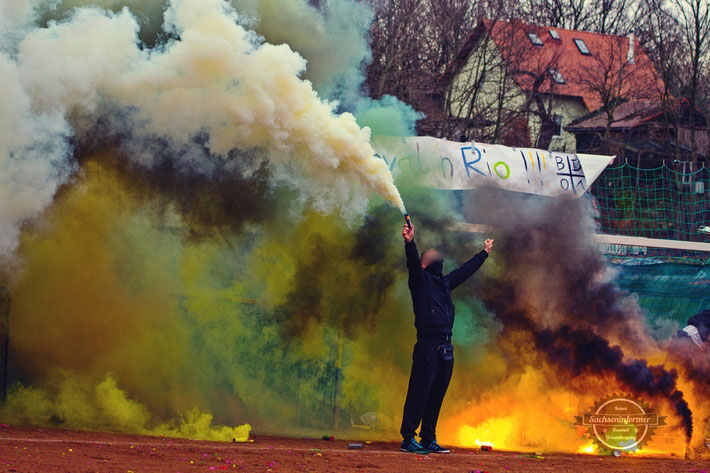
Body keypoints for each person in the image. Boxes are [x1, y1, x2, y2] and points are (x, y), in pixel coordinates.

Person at [399, 221, 493, 454]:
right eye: (432, 254)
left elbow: (465, 271)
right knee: (419, 392)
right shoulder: (419, 281)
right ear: (423, 263)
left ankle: (428, 438)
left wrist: (484, 253)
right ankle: (408, 438)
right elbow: (411, 262)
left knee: (436, 395)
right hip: (427, 347)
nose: (438, 254)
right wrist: (410, 242)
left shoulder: (444, 283)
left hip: (445, 348)